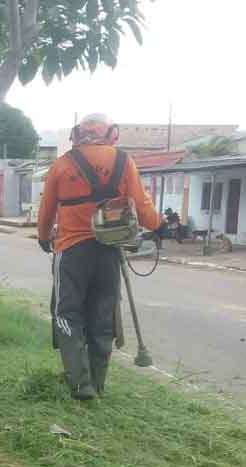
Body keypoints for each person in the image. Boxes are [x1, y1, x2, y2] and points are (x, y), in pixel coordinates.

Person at [37, 113, 164, 400]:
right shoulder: (123, 161)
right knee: (103, 315)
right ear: (111, 134)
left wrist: (44, 237)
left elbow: (46, 211)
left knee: (67, 313)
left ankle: (80, 383)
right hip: (109, 251)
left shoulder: (62, 165)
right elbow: (142, 206)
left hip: (71, 251)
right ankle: (98, 382)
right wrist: (161, 226)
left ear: (77, 134)